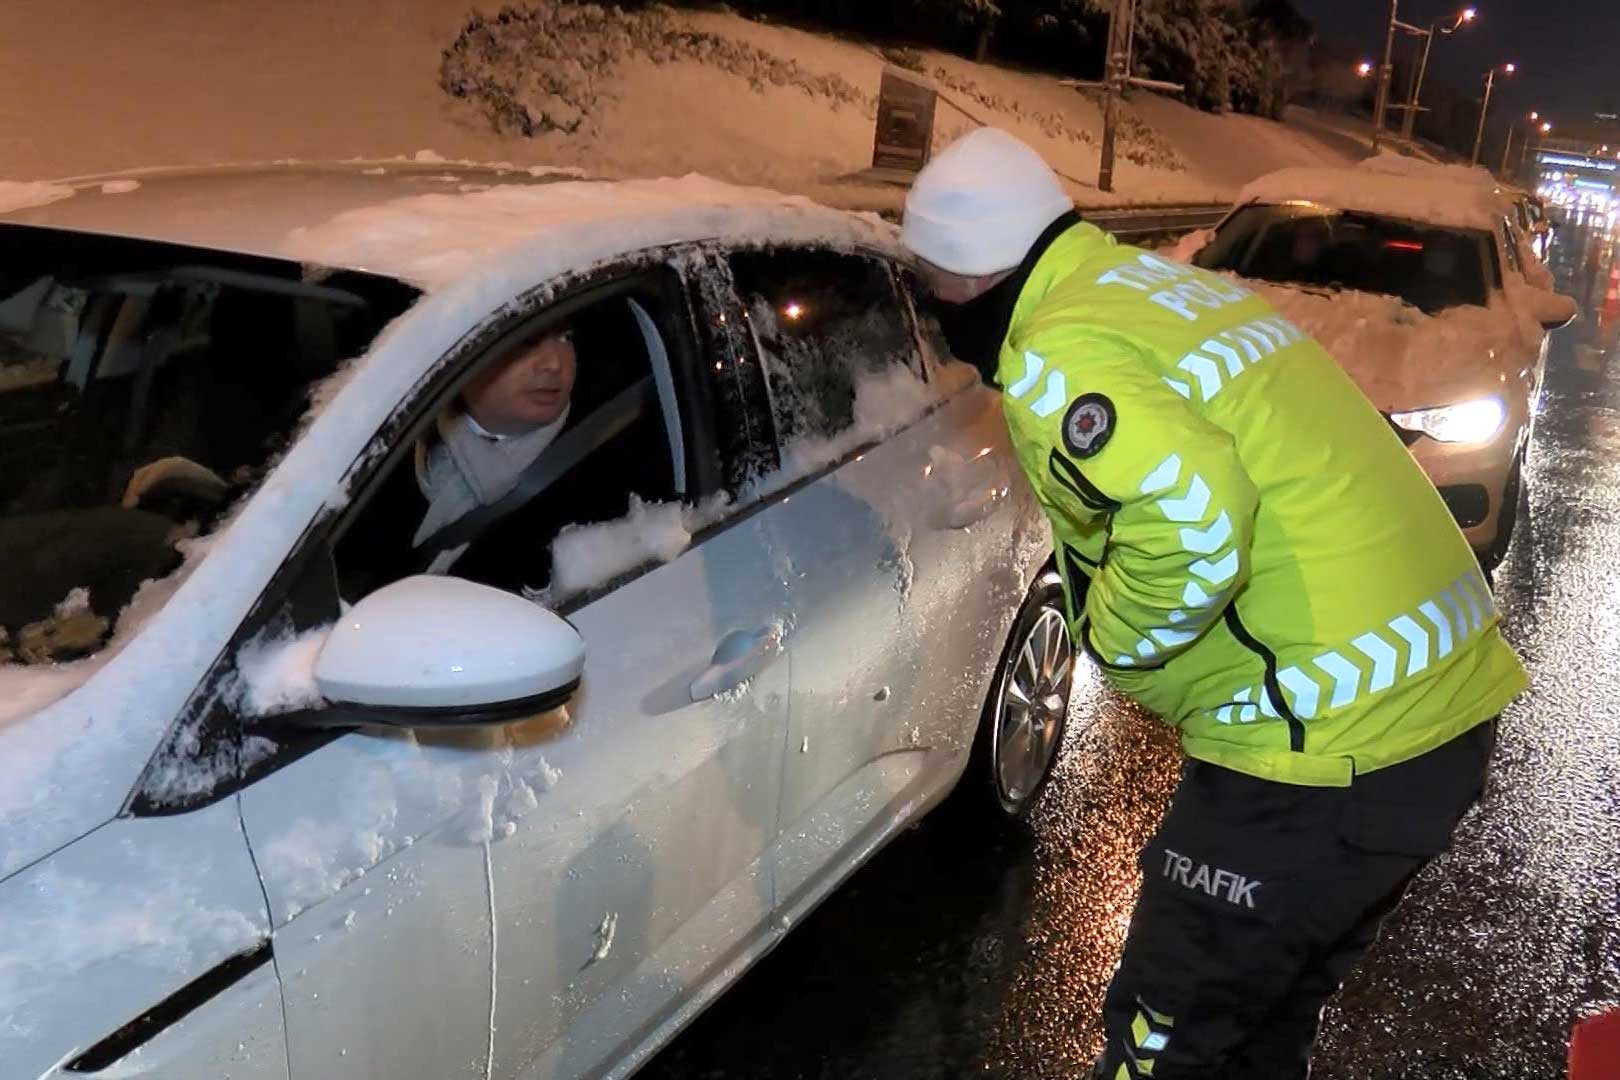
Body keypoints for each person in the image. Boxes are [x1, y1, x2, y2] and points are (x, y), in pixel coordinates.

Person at [901, 127, 1527, 1079]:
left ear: (971, 277)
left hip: (1323, 747)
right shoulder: (1158, 291)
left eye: (933, 283)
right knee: (1258, 1031)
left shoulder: (1054, 354)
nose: (934, 307)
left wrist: (1116, 636)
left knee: (1165, 1040)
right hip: (1426, 716)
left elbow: (1194, 518)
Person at [414, 324, 578, 547]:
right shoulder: (396, 442)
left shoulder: (604, 445)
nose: (555, 364)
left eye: (565, 337)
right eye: (527, 339)